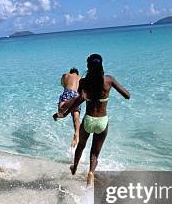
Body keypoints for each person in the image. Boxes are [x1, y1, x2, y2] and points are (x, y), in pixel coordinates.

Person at [54, 54, 130, 186]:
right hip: (102, 121)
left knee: (81, 146)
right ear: (101, 65)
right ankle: (91, 172)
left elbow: (78, 100)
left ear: (88, 66)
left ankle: (75, 168)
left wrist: (64, 114)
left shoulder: (83, 82)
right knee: (94, 153)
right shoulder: (109, 80)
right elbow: (127, 95)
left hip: (89, 120)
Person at [57, 68, 82, 147]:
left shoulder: (66, 75)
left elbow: (63, 84)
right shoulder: (80, 78)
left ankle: (65, 104)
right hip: (76, 96)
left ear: (70, 72)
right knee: (76, 118)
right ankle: (77, 134)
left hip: (68, 92)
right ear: (77, 74)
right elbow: (81, 90)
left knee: (60, 110)